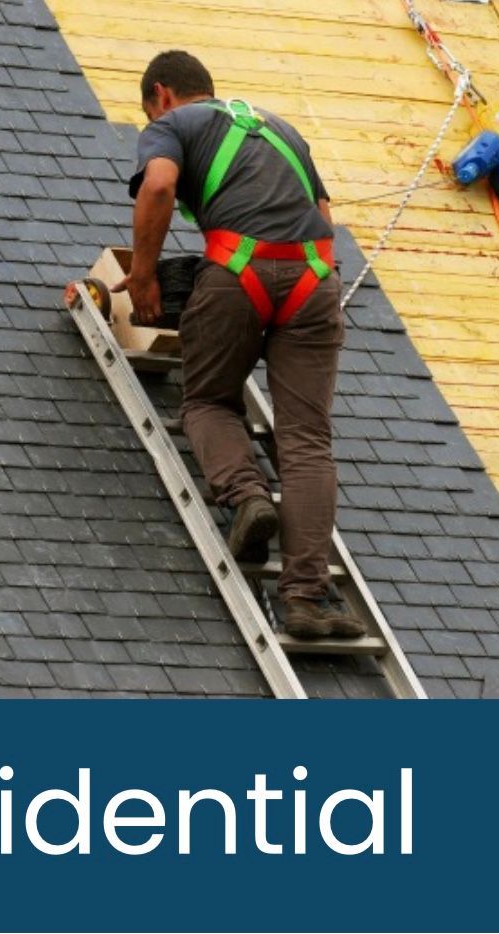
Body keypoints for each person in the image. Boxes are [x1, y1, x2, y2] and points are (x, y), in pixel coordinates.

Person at [113, 50, 365, 640]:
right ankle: (306, 596)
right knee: (306, 440)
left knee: (207, 401)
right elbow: (323, 213)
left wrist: (145, 274)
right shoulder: (282, 129)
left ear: (162, 94)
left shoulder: (171, 126)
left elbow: (159, 185)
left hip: (238, 271)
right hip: (314, 280)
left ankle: (246, 494)